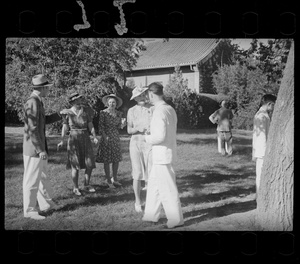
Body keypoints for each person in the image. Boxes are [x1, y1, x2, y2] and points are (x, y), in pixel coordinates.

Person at [142, 82, 184, 229]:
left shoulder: (160, 111)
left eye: (147, 95)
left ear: (151, 94)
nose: (147, 97)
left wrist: (146, 137)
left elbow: (159, 136)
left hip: (162, 154)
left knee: (167, 188)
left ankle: (175, 219)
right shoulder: (169, 109)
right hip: (164, 153)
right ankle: (151, 215)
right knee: (154, 185)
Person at [22, 74, 62, 220]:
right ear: (43, 88)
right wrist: (40, 150)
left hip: (37, 147)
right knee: (31, 180)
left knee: (42, 177)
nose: (49, 91)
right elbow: (32, 129)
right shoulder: (33, 102)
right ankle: (29, 210)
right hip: (33, 149)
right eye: (48, 88)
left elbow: (41, 121)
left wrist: (59, 115)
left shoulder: (37, 101)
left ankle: (46, 204)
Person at [57, 92, 98, 196]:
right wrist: (62, 140)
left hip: (85, 138)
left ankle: (86, 184)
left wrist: (94, 136)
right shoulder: (67, 112)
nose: (80, 101)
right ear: (72, 101)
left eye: (80, 99)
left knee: (89, 163)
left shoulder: (86, 111)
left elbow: (90, 125)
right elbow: (65, 127)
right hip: (73, 139)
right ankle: (75, 187)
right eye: (77, 100)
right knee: (75, 165)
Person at [127, 86, 153, 213]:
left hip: (149, 143)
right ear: (135, 98)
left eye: (144, 94)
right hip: (136, 143)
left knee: (151, 173)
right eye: (140, 95)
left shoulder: (152, 108)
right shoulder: (131, 111)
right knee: (137, 173)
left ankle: (151, 201)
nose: (143, 97)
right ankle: (138, 201)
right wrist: (139, 129)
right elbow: (129, 130)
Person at [96, 94, 126, 188]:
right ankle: (108, 180)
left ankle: (115, 178)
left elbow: (118, 127)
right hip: (107, 137)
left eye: (113, 102)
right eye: (110, 102)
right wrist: (105, 137)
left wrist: (122, 124)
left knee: (116, 159)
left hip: (115, 136)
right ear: (107, 103)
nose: (111, 104)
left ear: (116, 103)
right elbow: (101, 127)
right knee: (107, 160)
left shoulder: (119, 113)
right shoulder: (103, 112)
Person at [252, 94, 276, 198]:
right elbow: (261, 136)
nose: (274, 108)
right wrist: (266, 152)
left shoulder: (262, 114)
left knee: (261, 174)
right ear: (269, 104)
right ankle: (260, 197)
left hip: (261, 150)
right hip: (262, 151)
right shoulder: (262, 116)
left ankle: (261, 196)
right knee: (261, 175)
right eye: (273, 105)